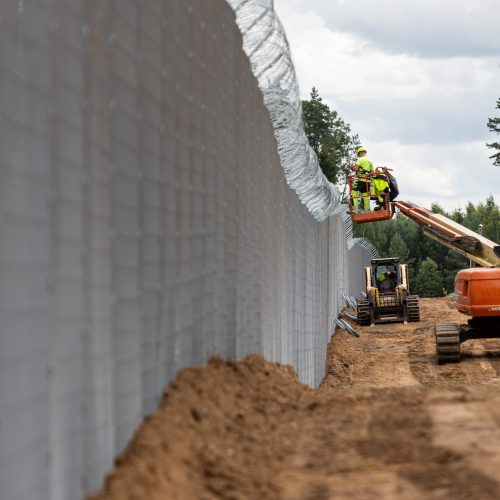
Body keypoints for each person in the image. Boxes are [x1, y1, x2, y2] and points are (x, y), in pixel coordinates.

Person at [351, 146, 373, 213]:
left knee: (354, 194)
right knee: (365, 196)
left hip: (361, 181)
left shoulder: (360, 159)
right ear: (365, 153)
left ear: (360, 153)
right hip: (368, 182)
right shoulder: (370, 161)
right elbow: (372, 172)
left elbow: (356, 169)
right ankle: (367, 211)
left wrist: (352, 168)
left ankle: (355, 210)